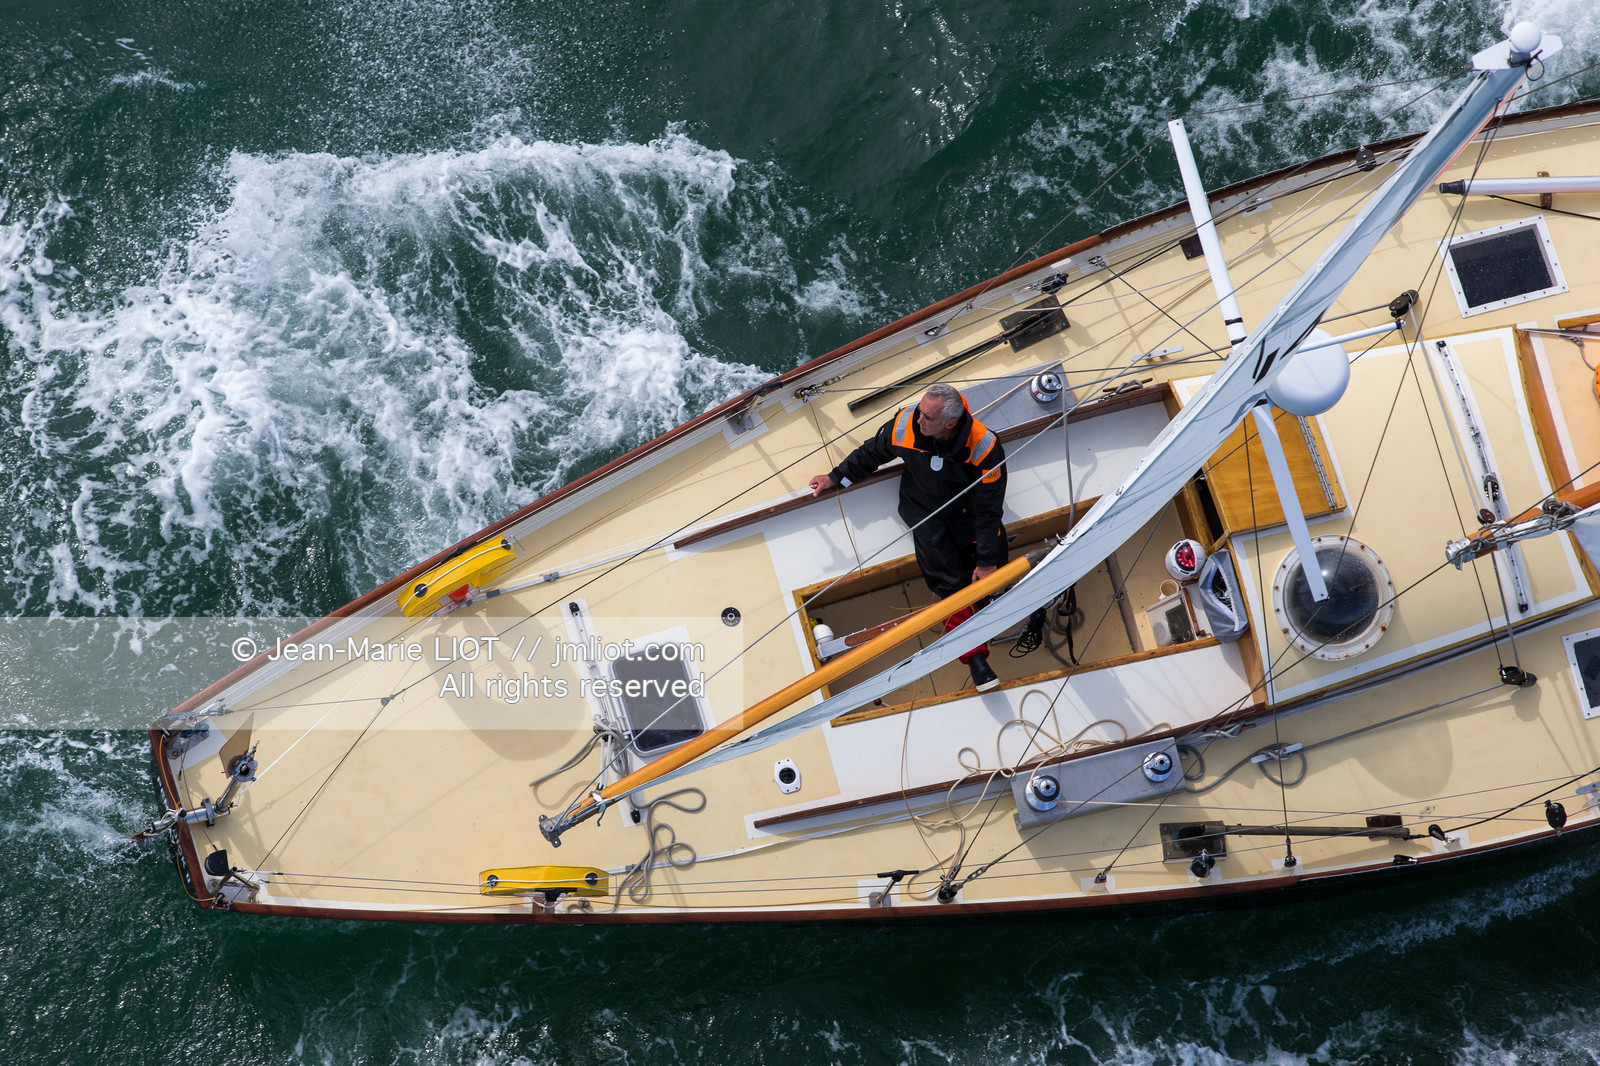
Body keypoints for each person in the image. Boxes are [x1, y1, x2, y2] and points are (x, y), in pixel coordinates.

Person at [809, 383, 1008, 691]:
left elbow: (989, 507)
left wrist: (986, 561)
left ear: (950, 423)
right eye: (920, 412)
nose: (919, 421)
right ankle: (975, 657)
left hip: (968, 514)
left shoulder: (984, 447)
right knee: (949, 585)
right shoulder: (906, 424)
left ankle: (987, 615)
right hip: (924, 511)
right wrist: (835, 477)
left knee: (992, 571)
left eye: (927, 418)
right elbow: (871, 452)